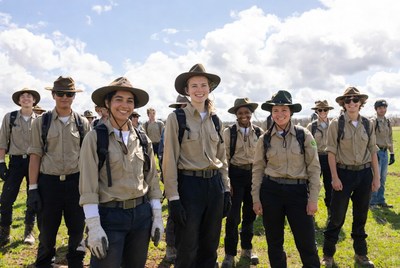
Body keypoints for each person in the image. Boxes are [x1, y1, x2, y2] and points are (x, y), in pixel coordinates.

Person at [79, 77, 163, 267]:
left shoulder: (143, 138)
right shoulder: (94, 138)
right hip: (109, 217)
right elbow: (88, 185)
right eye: (119, 99)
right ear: (107, 103)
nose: (124, 105)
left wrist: (157, 216)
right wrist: (93, 226)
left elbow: (152, 179)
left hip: (141, 216)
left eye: (129, 100)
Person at [163, 63, 231, 267]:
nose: (199, 90)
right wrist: (174, 198)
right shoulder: (177, 118)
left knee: (210, 246)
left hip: (214, 186)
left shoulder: (216, 120)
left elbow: (222, 158)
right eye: (194, 86)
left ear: (209, 88)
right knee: (188, 247)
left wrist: (226, 189)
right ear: (186, 90)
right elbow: (169, 161)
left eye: (203, 85)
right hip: (189, 187)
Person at [252, 90, 321, 268]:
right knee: (274, 242)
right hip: (271, 192)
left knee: (306, 241)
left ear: (291, 112)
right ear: (271, 113)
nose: (280, 114)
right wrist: (256, 199)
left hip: (297, 192)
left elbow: (314, 168)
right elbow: (258, 169)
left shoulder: (304, 135)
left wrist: (313, 200)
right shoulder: (264, 139)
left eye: (284, 110)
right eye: (276, 110)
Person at [27, 76, 90, 267]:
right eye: (60, 93)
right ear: (53, 95)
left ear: (74, 97)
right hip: (49, 184)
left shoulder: (82, 123)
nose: (65, 97)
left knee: (78, 230)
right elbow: (35, 155)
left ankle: (75, 262)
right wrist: (32, 189)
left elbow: (88, 159)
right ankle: (45, 262)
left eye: (69, 94)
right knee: (47, 232)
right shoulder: (41, 122)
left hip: (76, 183)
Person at [321, 87, 379, 268]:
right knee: (336, 216)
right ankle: (328, 254)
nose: (352, 103)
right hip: (343, 174)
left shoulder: (368, 124)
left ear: (361, 103)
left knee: (360, 215)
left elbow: (373, 152)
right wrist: (334, 178)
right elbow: (331, 153)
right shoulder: (335, 124)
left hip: (364, 174)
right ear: (343, 104)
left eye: (355, 100)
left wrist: (376, 178)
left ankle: (361, 253)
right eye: (348, 100)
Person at [221, 98, 263, 268]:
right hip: (235, 175)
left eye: (247, 112)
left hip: (254, 175)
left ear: (251, 114)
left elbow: (263, 159)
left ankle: (247, 248)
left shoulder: (259, 133)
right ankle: (229, 254)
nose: (244, 116)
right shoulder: (228, 132)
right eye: (240, 113)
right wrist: (227, 181)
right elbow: (224, 159)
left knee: (250, 215)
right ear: (236, 115)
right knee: (232, 217)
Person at [0, 88, 41, 247]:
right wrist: (1, 162)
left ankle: (29, 231)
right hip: (16, 162)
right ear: (18, 101)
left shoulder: (40, 120)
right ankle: (4, 233)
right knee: (6, 198)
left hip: (34, 161)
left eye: (29, 96)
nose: (25, 98)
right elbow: (3, 141)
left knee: (32, 196)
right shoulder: (10, 118)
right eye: (22, 97)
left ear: (34, 101)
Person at [159, 94, 189, 263]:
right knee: (173, 212)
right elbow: (164, 154)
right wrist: (168, 178)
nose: (182, 109)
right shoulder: (170, 125)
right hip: (174, 176)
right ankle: (171, 246)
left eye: (185, 105)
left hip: (190, 177)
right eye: (180, 107)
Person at [307, 100, 334, 217]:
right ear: (316, 111)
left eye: (325, 110)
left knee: (330, 186)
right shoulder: (311, 126)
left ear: (328, 111)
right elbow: (307, 145)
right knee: (313, 185)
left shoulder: (334, 125)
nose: (323, 112)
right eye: (320, 110)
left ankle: (330, 212)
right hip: (316, 158)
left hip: (330, 158)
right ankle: (310, 212)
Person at [370, 99, 395, 208]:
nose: (382, 110)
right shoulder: (373, 121)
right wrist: (375, 153)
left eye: (384, 108)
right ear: (376, 109)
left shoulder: (388, 121)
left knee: (383, 178)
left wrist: (392, 153)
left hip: (385, 152)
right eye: (380, 108)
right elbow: (370, 138)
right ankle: (372, 202)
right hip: (377, 152)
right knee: (376, 177)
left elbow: (390, 137)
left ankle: (381, 200)